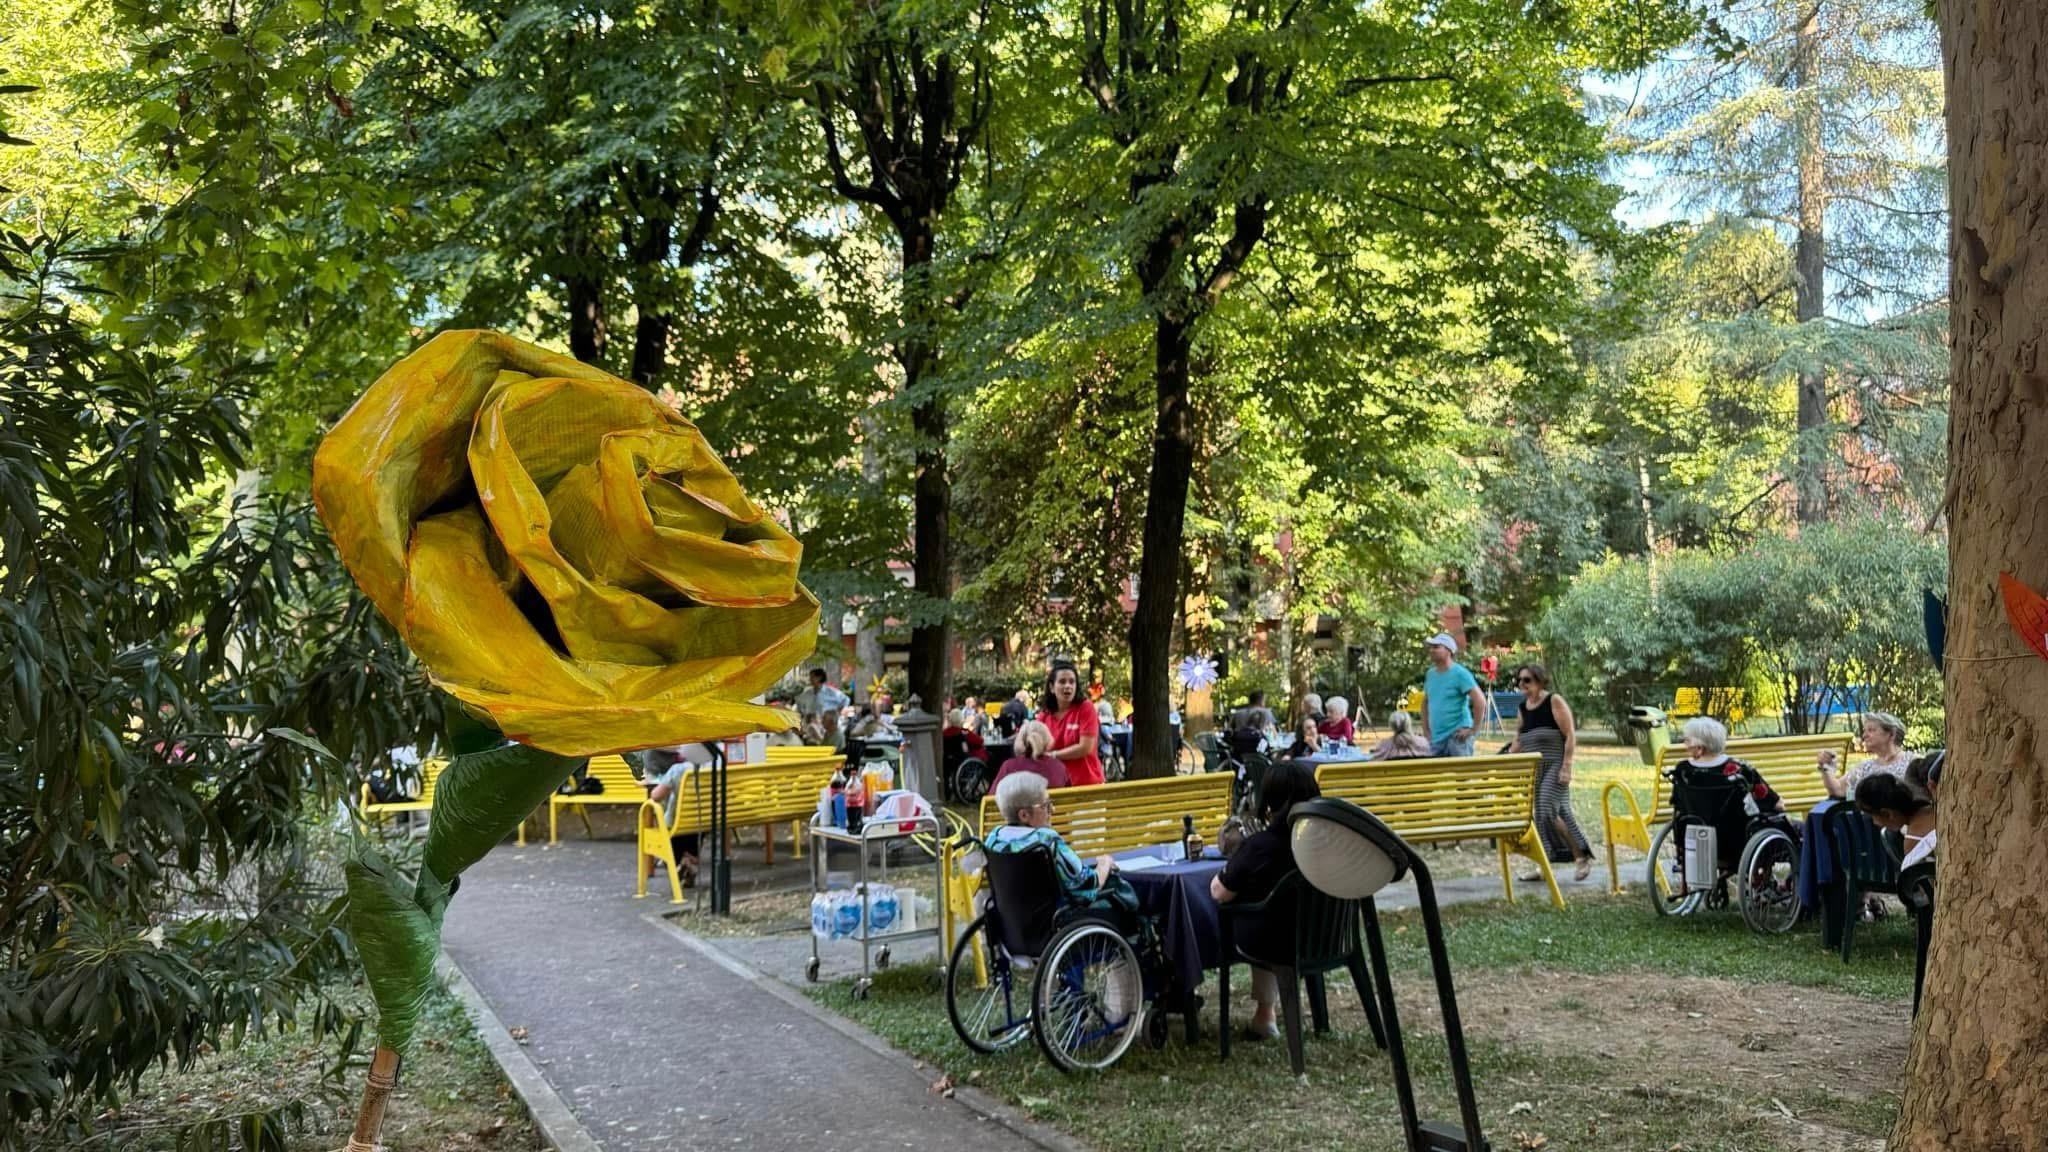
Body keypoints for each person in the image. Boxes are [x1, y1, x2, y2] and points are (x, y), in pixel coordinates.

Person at [1211, 760, 1322, 1042]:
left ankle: (1265, 1014)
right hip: (1325, 937)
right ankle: (1266, 1014)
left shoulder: (1261, 845)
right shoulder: (1326, 841)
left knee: (1255, 916)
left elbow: (1220, 893)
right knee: (1273, 913)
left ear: (1269, 799)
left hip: (1273, 941)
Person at [1506, 663, 1594, 882]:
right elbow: (1519, 739)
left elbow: (1570, 734)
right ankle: (1544, 865)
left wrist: (1567, 765)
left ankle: (1580, 856)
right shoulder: (1523, 708)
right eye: (1519, 680)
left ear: (1539, 680)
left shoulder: (1553, 701)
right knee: (1546, 816)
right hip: (1535, 768)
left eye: (1527, 680)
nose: (1522, 684)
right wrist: (1505, 757)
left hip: (1555, 763)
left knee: (1546, 810)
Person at [986, 770, 1121, 910]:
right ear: (1024, 815)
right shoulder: (1046, 841)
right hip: (1056, 918)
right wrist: (1104, 864)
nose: (1053, 809)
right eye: (1046, 806)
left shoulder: (993, 840)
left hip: (1014, 920)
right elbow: (1087, 882)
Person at [1672, 716, 1787, 871]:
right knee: (1796, 830)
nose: (1685, 745)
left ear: (1700, 748)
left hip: (1695, 843)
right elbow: (1775, 803)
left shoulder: (1683, 771)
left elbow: (1678, 804)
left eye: (1687, 741)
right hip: (1735, 846)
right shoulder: (1738, 768)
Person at [644, 742, 717, 888]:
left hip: (677, 822)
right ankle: (690, 859)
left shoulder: (678, 770)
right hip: (706, 820)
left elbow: (655, 796)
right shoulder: (716, 767)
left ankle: (680, 861)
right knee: (693, 832)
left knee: (671, 832)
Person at [1039, 660, 1105, 787]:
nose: (1068, 686)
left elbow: (1085, 748)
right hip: (1056, 786)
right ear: (1052, 687)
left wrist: (1053, 755)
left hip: (1087, 786)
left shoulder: (1086, 708)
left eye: (1072, 681)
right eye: (1062, 682)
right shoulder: (1044, 715)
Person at [1819, 712, 1913, 800]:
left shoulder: (1912, 762)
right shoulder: (1865, 767)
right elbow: (1838, 790)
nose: (1864, 735)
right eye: (1864, 731)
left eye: (1871, 730)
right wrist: (1827, 768)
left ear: (1891, 734)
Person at [1855, 772, 1936, 869]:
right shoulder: (1934, 807)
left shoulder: (1913, 843)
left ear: (1887, 813)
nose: (1875, 822)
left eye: (1873, 817)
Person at [1421, 632, 1484, 757]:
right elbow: (1425, 702)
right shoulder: (1430, 674)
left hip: (1457, 735)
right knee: (1434, 775)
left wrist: (1473, 730)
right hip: (1436, 737)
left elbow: (1480, 701)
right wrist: (1426, 730)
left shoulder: (1460, 673)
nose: (1432, 650)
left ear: (1449, 651)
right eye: (1431, 647)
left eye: (1436, 647)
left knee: (1462, 775)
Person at [993, 719, 1069, 790]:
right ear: (1047, 740)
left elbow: (992, 797)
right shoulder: (1059, 767)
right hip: (1050, 804)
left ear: (1020, 741)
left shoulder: (1008, 767)